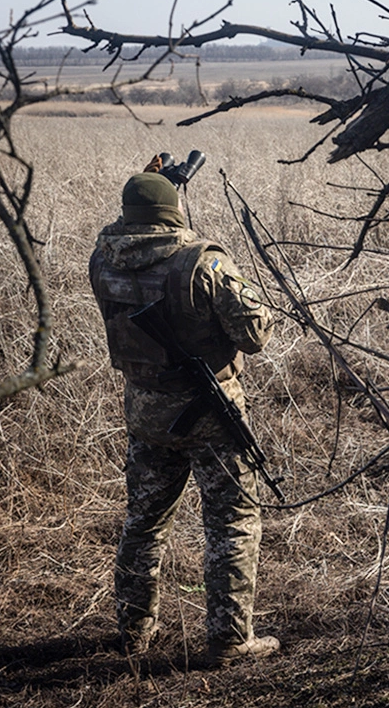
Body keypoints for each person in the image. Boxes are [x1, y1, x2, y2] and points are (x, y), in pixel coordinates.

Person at [88, 165, 278, 665]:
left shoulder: (102, 261)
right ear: (173, 212)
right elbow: (254, 337)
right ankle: (231, 640)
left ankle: (132, 631)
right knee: (233, 522)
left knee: (143, 522)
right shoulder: (202, 264)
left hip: (146, 413)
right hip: (209, 415)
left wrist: (152, 189)